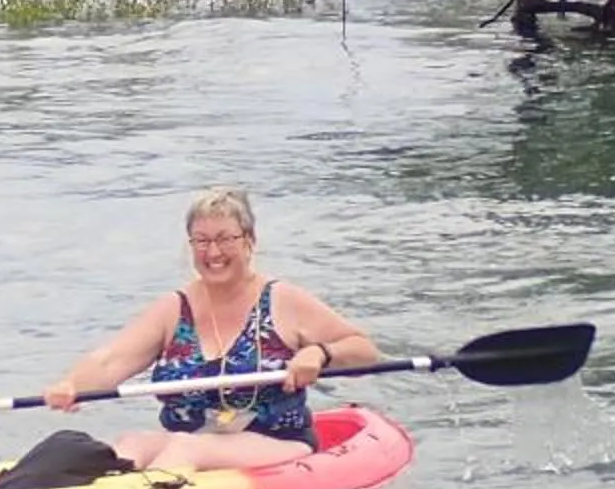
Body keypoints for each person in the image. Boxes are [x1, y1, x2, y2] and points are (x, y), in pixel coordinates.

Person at [42, 188, 376, 472]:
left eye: (224, 239)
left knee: (187, 450)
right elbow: (110, 360)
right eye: (201, 241)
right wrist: (71, 385)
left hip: (276, 444)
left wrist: (319, 353)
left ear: (249, 241)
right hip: (193, 440)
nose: (213, 253)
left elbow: (364, 351)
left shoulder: (284, 301)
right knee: (132, 444)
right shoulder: (173, 308)